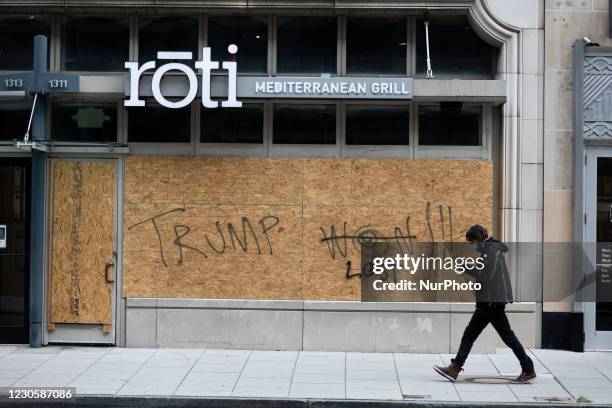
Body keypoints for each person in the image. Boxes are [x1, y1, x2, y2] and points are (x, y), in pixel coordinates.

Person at [433, 224, 536, 383]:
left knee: (480, 335)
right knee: (499, 336)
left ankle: (455, 368)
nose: (471, 245)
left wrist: (465, 267)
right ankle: (527, 368)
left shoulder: (492, 251)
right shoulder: (489, 251)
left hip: (491, 303)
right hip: (489, 302)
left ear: (479, 238)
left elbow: (486, 275)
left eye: (472, 241)